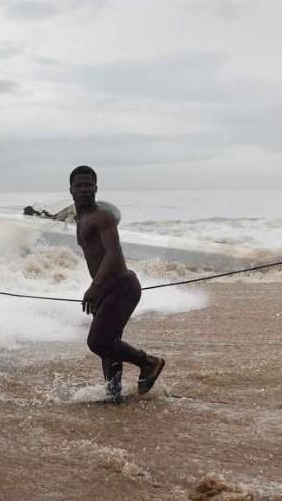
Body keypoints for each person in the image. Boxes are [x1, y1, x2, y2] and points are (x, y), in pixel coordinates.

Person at [70, 166, 165, 402]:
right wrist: (98, 289)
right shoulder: (80, 219)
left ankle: (149, 362)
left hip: (121, 286)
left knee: (98, 341)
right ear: (70, 190)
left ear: (96, 188)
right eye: (79, 185)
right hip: (105, 290)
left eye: (88, 185)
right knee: (108, 347)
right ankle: (114, 395)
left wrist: (95, 287)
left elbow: (113, 253)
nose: (84, 189)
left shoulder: (102, 216)